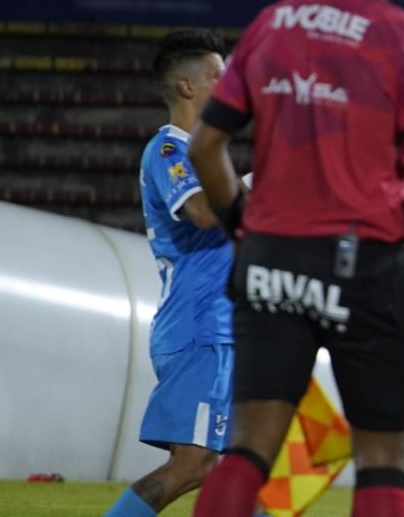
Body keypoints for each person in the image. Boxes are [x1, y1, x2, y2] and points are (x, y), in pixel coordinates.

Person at [188, 0, 404, 517]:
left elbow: (205, 149)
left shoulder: (271, 25)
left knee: (250, 447)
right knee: (381, 457)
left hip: (271, 257)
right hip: (365, 260)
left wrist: (241, 224)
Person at [105, 29, 233, 517]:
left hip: (213, 326)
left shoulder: (203, 155)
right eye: (218, 75)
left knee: (228, 469)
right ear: (187, 87)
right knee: (194, 466)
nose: (229, 84)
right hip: (201, 326)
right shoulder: (170, 151)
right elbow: (203, 212)